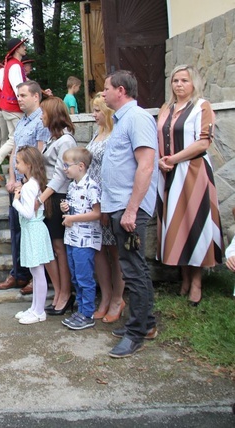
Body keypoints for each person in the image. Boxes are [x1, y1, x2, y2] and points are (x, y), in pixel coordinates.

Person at [101, 70, 158, 358]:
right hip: (120, 206)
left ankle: (136, 333)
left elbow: (146, 166)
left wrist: (132, 209)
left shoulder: (137, 119)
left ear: (120, 90)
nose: (102, 94)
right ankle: (145, 323)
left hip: (130, 208)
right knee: (132, 268)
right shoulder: (122, 121)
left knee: (135, 271)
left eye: (106, 89)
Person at [156, 65, 222, 306]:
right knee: (177, 224)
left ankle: (196, 281)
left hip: (193, 172)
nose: (179, 84)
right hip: (170, 173)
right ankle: (183, 277)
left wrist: (174, 158)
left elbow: (203, 142)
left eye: (184, 80)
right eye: (175, 80)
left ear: (193, 83)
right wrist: (162, 162)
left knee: (196, 225)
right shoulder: (166, 108)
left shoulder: (202, 106)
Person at [0, 80, 51, 292]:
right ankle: (18, 274)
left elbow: (39, 156)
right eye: (18, 95)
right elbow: (14, 152)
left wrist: (24, 181)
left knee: (30, 232)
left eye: (23, 95)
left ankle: (34, 276)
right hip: (16, 185)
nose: (19, 99)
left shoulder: (41, 121)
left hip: (30, 186)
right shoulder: (21, 122)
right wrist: (10, 178)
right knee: (16, 231)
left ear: (36, 96)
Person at [86, 93, 126, 322]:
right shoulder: (97, 134)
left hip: (107, 200)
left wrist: (105, 205)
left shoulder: (115, 135)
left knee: (115, 251)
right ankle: (106, 295)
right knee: (99, 250)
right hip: (92, 200)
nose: (94, 114)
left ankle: (118, 298)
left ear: (108, 112)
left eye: (98, 110)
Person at [37, 97, 77, 314]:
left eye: (44, 113)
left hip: (58, 196)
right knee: (54, 247)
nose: (41, 116)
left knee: (60, 247)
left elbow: (62, 175)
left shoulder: (66, 141)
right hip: (49, 196)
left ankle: (66, 294)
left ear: (53, 114)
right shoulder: (54, 139)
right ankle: (60, 291)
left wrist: (42, 197)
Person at [59, 147, 102, 330]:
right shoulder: (72, 186)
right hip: (71, 238)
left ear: (81, 166)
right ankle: (81, 310)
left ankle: (87, 313)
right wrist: (66, 208)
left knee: (85, 277)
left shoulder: (91, 186)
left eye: (67, 165)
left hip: (85, 240)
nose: (64, 169)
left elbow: (97, 213)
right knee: (76, 276)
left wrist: (72, 218)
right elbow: (76, 208)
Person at [11, 146, 54, 325]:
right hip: (33, 230)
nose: (16, 165)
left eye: (18, 162)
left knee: (37, 273)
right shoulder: (34, 183)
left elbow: (28, 213)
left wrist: (15, 201)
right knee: (35, 273)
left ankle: (39, 311)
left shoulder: (29, 186)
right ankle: (35, 307)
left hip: (33, 229)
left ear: (28, 164)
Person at [0, 37, 27, 185]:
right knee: (14, 140)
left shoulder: (11, 65)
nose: (25, 48)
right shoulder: (14, 66)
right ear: (16, 49)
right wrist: (25, 105)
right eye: (23, 46)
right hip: (13, 107)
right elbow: (18, 88)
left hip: (8, 107)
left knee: (13, 140)